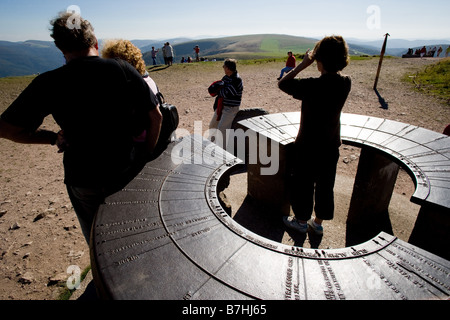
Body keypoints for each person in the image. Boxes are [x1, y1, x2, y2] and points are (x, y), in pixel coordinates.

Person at [0, 12, 163, 244]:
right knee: (133, 231)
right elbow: (156, 116)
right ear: (94, 42)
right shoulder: (123, 69)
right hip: (125, 168)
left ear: (60, 48)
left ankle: (102, 274)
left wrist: (52, 138)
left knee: (98, 240)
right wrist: (145, 154)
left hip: (83, 176)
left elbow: (7, 129)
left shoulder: (48, 82)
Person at [278, 35, 351, 236]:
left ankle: (301, 221)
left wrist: (302, 65)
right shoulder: (345, 83)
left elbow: (283, 83)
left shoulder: (311, 85)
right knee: (326, 185)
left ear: (319, 60)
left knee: (303, 184)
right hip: (331, 145)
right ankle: (317, 223)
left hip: (307, 146)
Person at [209, 59, 243, 151]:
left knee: (222, 130)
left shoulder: (237, 80)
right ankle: (211, 146)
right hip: (221, 107)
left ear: (228, 68)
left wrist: (218, 90)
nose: (223, 68)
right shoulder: (226, 77)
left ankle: (222, 151)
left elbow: (228, 93)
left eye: (224, 66)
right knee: (212, 126)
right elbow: (222, 91)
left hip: (231, 108)